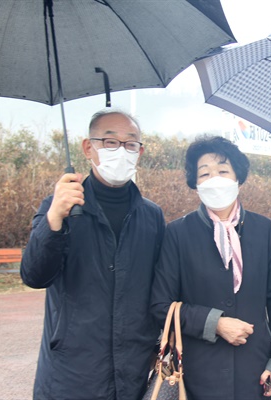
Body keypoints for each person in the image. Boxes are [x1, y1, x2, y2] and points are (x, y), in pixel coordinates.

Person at [20, 110, 166, 400]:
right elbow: (35, 275)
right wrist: (54, 221)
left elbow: (160, 287)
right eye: (110, 142)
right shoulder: (60, 206)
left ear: (140, 151)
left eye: (131, 144)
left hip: (133, 374)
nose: (121, 151)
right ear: (89, 148)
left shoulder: (151, 215)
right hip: (71, 373)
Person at [150, 136, 271, 399]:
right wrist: (215, 323)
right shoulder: (178, 233)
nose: (214, 179)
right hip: (196, 375)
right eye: (204, 173)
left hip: (255, 371)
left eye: (223, 171)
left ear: (238, 177)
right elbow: (160, 305)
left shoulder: (264, 230)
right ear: (195, 183)